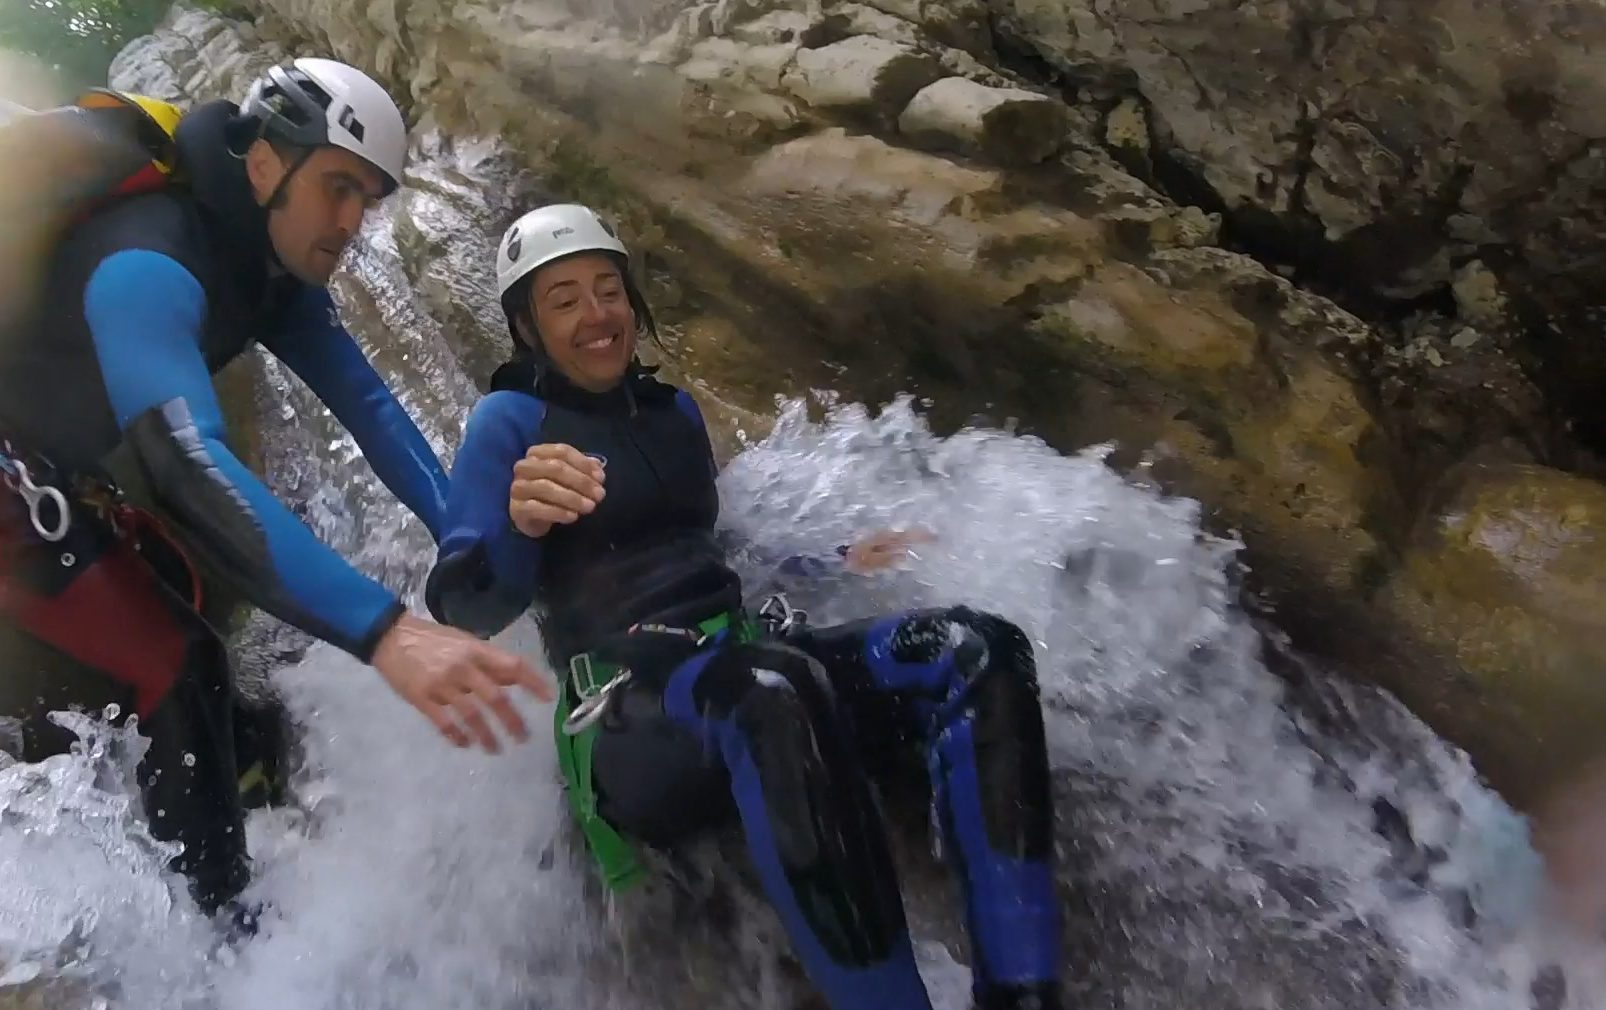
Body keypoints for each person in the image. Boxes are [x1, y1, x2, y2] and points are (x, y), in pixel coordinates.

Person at [425, 203, 1062, 1010]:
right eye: (564, 300)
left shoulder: (675, 414)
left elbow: (708, 548)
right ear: (527, 327)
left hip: (742, 666)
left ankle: (1025, 995)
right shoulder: (507, 422)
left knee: (977, 647)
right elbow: (464, 606)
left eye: (608, 290)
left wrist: (829, 561)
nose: (596, 315)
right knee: (771, 691)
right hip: (635, 720)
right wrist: (516, 524)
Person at [0, 58, 552, 921]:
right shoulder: (150, 260)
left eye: (366, 199)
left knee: (198, 668)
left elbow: (373, 411)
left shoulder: (277, 276)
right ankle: (220, 944)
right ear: (264, 165)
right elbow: (189, 469)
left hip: (42, 471)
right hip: (17, 479)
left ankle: (214, 914)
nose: (350, 221)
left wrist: (473, 545)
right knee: (179, 668)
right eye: (336, 187)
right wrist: (390, 634)